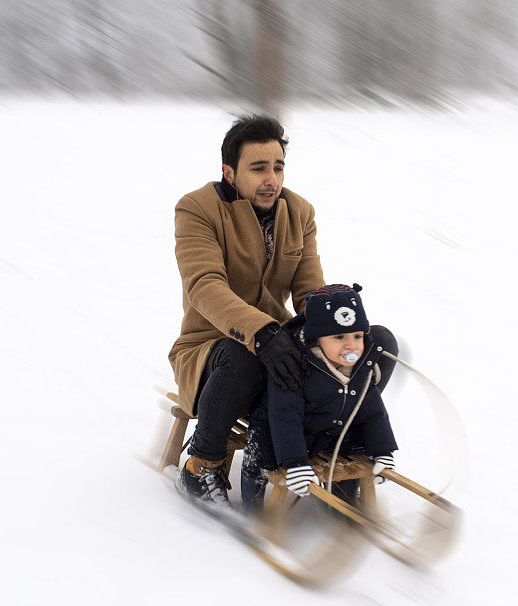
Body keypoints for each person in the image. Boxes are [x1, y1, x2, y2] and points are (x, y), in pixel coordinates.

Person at [168, 115, 398, 508]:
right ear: (229, 171)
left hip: (281, 343)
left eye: (278, 167)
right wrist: (262, 333)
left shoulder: (299, 211)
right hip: (212, 348)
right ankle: (201, 464)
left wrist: (339, 329)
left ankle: (336, 439)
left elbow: (310, 294)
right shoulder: (197, 209)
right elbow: (204, 286)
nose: (271, 179)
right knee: (245, 357)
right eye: (258, 168)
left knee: (378, 343)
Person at [241, 284, 397, 510]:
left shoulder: (361, 366)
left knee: (351, 444)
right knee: (262, 452)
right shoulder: (296, 364)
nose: (351, 345)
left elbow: (372, 412)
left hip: (324, 429)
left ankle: (343, 505)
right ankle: (251, 507)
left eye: (357, 336)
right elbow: (285, 416)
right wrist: (295, 462)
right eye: (339, 336)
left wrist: (382, 450)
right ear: (316, 338)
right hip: (277, 428)